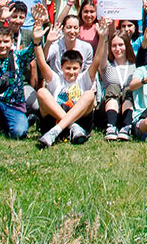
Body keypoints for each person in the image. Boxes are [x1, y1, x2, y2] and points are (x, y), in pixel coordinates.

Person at [33, 20, 111, 148]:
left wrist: (102, 38)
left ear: (80, 68)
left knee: (89, 94)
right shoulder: (57, 79)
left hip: (80, 119)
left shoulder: (83, 78)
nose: (71, 72)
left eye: (75, 68)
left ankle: (58, 130)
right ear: (61, 67)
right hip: (60, 120)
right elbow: (41, 64)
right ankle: (71, 126)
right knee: (42, 92)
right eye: (68, 68)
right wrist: (37, 42)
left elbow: (96, 61)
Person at [0, 1, 42, 142]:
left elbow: (32, 52)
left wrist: (36, 39)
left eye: (5, 42)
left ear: (11, 43)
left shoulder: (18, 57)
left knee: (19, 133)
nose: (2, 46)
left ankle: (18, 121)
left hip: (14, 106)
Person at [100, 28, 138, 140]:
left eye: (121, 45)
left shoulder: (134, 65)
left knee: (129, 88)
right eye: (114, 46)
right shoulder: (107, 64)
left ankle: (127, 126)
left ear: (127, 45)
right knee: (113, 87)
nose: (117, 49)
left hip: (129, 106)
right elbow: (100, 56)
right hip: (109, 108)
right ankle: (111, 126)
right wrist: (103, 37)